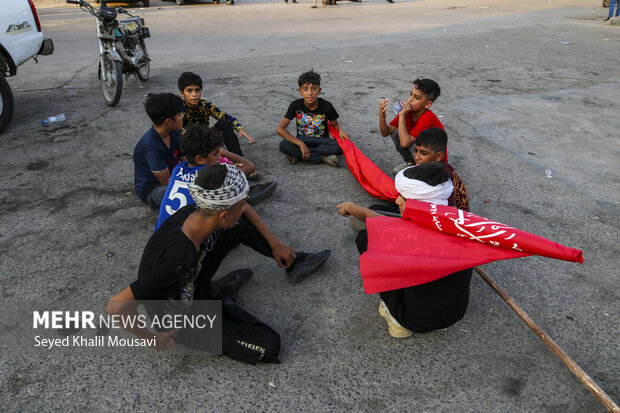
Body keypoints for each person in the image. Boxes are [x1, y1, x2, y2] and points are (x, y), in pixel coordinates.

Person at [108, 163, 331, 363]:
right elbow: (116, 306)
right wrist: (151, 339)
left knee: (240, 225)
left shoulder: (195, 211)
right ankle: (217, 301)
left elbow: (240, 211)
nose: (246, 205)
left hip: (189, 281)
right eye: (243, 202)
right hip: (179, 318)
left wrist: (274, 244)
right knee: (268, 345)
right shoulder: (178, 261)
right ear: (223, 215)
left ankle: (289, 263)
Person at [337, 162, 473, 338]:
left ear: (422, 204)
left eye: (403, 198)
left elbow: (381, 225)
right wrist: (354, 208)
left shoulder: (403, 238)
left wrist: (352, 208)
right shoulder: (462, 226)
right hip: (455, 315)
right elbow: (385, 221)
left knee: (365, 238)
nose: (397, 200)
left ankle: (395, 319)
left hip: (415, 319)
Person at [155, 124, 277, 230]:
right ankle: (248, 194)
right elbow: (249, 166)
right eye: (216, 153)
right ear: (200, 158)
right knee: (239, 216)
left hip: (162, 236)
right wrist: (219, 150)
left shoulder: (179, 168)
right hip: (188, 243)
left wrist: (214, 150)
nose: (219, 157)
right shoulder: (212, 176)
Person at [277, 70, 350, 167]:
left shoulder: (326, 106)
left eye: (314, 88)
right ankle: (324, 158)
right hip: (303, 139)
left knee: (340, 147)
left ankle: (299, 155)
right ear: (300, 91)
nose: (310, 93)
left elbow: (335, 124)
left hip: (322, 141)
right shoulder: (295, 105)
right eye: (305, 89)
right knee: (283, 145)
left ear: (319, 91)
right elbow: (280, 129)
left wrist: (340, 130)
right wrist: (300, 144)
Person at [178, 72, 254, 158]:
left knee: (224, 123)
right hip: (190, 144)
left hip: (207, 139)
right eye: (189, 91)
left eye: (197, 90)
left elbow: (226, 117)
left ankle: (239, 160)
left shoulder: (206, 105)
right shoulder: (179, 110)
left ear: (201, 90)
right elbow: (178, 133)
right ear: (182, 92)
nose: (194, 94)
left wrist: (240, 128)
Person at [379, 78, 444, 174]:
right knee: (396, 133)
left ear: (428, 104)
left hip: (434, 161)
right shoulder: (410, 112)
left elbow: (405, 143)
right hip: (422, 152)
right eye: (411, 95)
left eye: (416, 98)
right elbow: (385, 133)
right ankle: (411, 162)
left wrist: (401, 115)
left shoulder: (428, 118)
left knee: (408, 140)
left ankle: (424, 171)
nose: (410, 99)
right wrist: (382, 116)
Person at [133, 93, 186, 210]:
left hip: (173, 176)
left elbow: (187, 160)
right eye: (179, 115)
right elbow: (166, 181)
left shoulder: (175, 132)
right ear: (168, 122)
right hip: (154, 189)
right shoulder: (151, 146)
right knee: (184, 194)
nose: (182, 117)